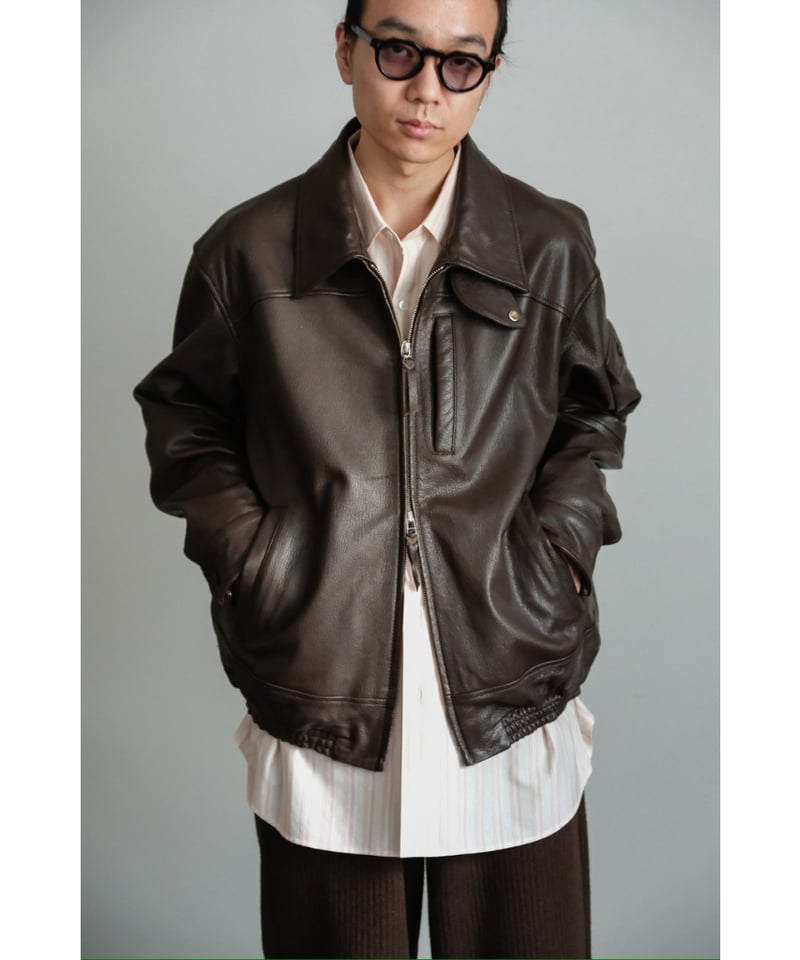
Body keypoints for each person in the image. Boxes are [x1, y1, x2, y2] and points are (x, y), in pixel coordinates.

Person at [133, 0, 641, 956]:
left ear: (489, 74)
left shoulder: (548, 244)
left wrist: (558, 555)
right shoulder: (247, 251)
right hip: (322, 685)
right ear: (347, 50)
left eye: (462, 63)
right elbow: (187, 423)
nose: (427, 90)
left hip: (509, 672)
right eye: (400, 50)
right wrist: (257, 563)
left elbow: (593, 411)